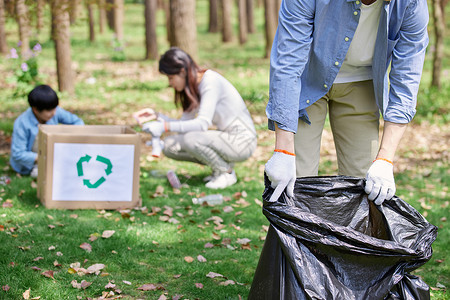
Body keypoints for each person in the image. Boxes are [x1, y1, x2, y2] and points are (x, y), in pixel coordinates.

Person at [264, 0, 429, 204]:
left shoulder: (411, 4)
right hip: (305, 80)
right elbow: (287, 62)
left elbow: (406, 80)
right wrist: (283, 150)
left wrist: (386, 159)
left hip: (362, 84)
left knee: (364, 183)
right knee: (295, 182)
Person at [142, 47, 257, 189]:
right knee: (168, 145)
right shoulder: (193, 86)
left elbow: (202, 124)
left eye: (171, 78)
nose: (170, 83)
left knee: (191, 139)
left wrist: (164, 126)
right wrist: (159, 117)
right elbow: (184, 124)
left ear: (182, 72)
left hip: (242, 142)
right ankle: (219, 168)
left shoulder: (210, 81)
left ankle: (226, 173)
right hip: (225, 139)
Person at [10, 84, 84, 177]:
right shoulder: (22, 123)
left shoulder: (54, 111)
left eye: (55, 108)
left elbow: (78, 122)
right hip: (32, 162)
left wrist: (66, 136)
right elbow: (18, 154)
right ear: (36, 110)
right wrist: (44, 157)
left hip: (52, 153)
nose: (54, 113)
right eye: (49, 110)